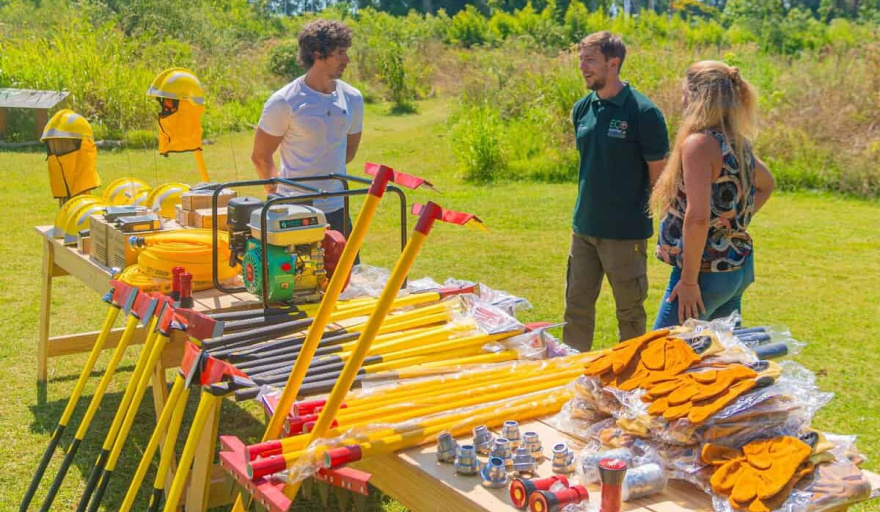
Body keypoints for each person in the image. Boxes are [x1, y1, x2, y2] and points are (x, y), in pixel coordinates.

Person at [563, 31, 670, 352]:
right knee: (575, 309)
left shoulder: (643, 113)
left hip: (625, 235)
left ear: (614, 63)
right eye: (581, 59)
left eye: (591, 60)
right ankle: (571, 372)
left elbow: (660, 181)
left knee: (630, 313)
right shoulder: (582, 108)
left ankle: (632, 375)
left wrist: (667, 229)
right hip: (584, 231)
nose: (583, 66)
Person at [650, 61, 775, 328]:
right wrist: (729, 224)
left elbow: (697, 218)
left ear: (697, 96)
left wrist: (688, 281)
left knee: (660, 355)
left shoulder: (699, 144)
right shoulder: (736, 142)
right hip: (735, 271)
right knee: (718, 358)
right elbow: (767, 184)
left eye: (684, 92)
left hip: (706, 274)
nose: (681, 98)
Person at [251, 19, 364, 236]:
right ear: (317, 54)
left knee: (346, 270)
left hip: (338, 208)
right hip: (295, 211)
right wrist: (277, 192)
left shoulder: (353, 98)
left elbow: (348, 153)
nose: (347, 59)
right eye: (340, 52)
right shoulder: (284, 101)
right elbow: (261, 156)